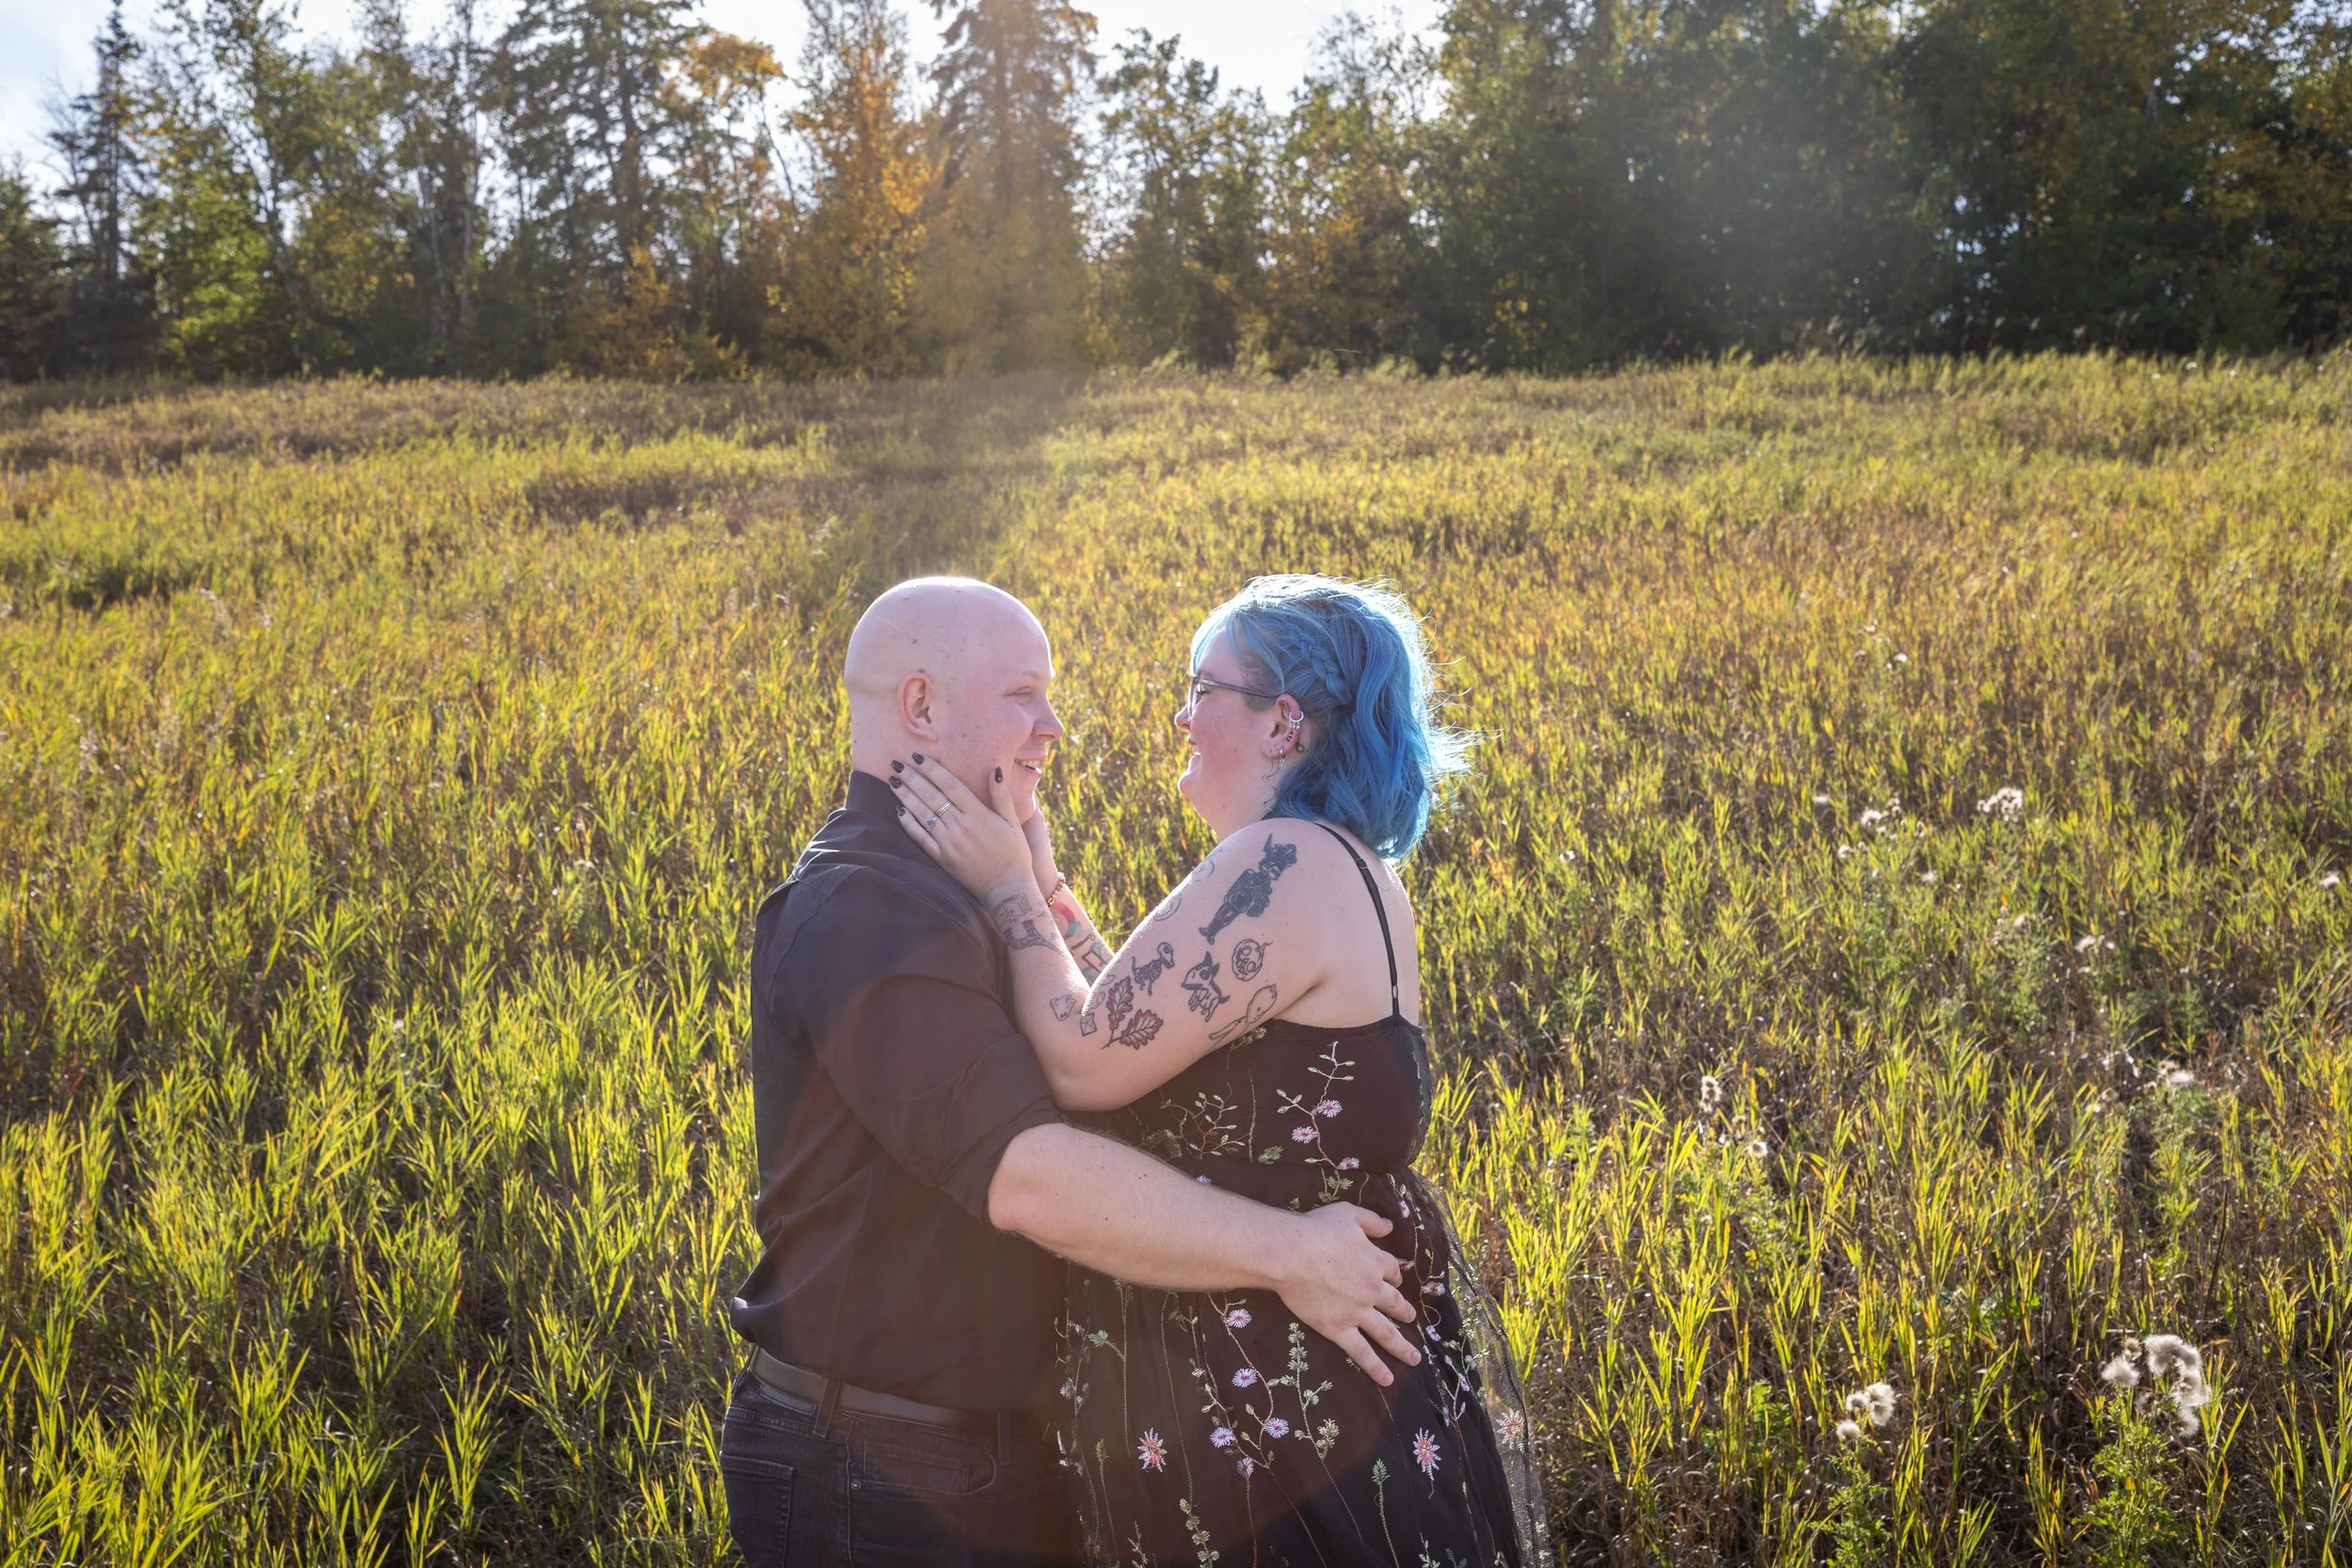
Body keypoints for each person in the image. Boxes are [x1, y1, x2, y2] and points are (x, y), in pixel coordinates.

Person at [721, 578, 1428, 1568]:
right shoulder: (870, 905)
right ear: (918, 706)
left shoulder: (966, 879)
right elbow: (1029, 1172)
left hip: (988, 1446)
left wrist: (1033, 890)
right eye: (1022, 694)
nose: (1054, 726)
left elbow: (1115, 1044)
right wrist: (1287, 1251)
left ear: (1288, 722)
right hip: (882, 1460)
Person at [893, 575, 1549, 1568]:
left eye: (1203, 685)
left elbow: (1081, 1055)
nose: (1181, 713)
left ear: (1283, 721)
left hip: (1272, 1411)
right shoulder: (1332, 865)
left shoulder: (1283, 862)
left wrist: (1001, 887)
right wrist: (1046, 879)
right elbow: (1145, 1036)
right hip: (1282, 1383)